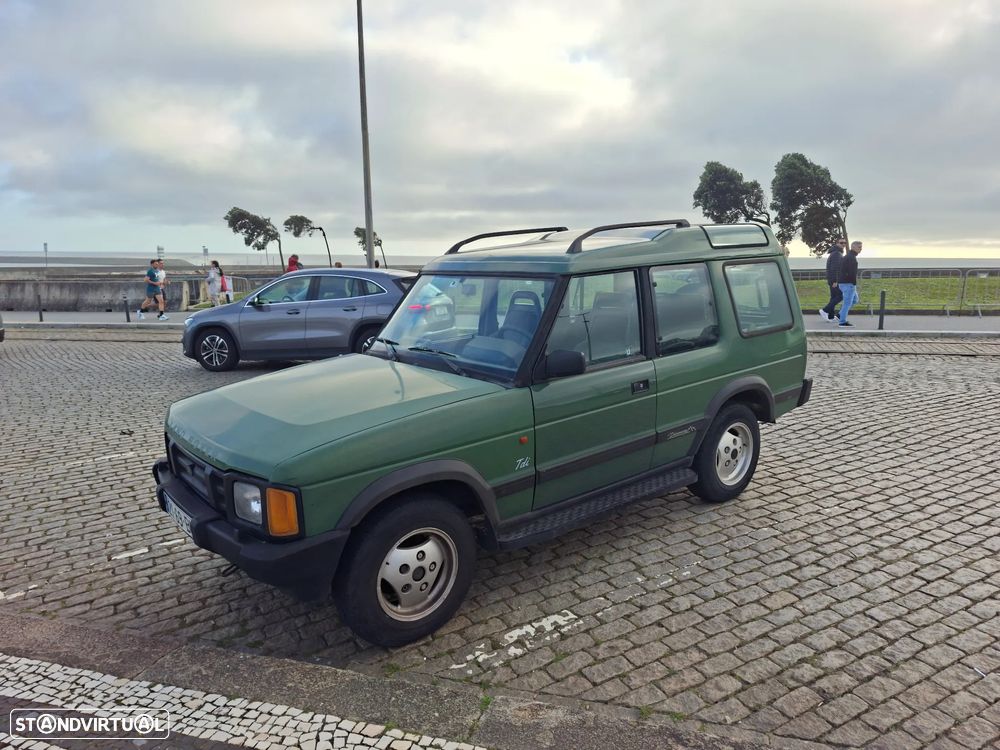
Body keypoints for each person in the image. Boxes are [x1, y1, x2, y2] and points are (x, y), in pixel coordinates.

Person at [820, 238, 847, 321]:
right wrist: (835, 280)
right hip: (835, 280)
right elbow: (835, 268)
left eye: (845, 243)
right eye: (841, 242)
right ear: (837, 243)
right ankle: (825, 310)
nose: (843, 244)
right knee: (840, 296)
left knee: (834, 297)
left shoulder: (835, 253)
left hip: (832, 280)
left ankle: (830, 316)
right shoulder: (836, 254)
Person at [837, 241, 863, 327]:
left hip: (844, 283)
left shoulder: (847, 257)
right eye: (859, 247)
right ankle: (842, 322)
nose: (861, 249)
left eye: (861, 247)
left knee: (855, 300)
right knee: (847, 303)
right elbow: (852, 273)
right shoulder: (851, 258)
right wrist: (853, 283)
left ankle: (840, 315)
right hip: (848, 284)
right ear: (853, 247)